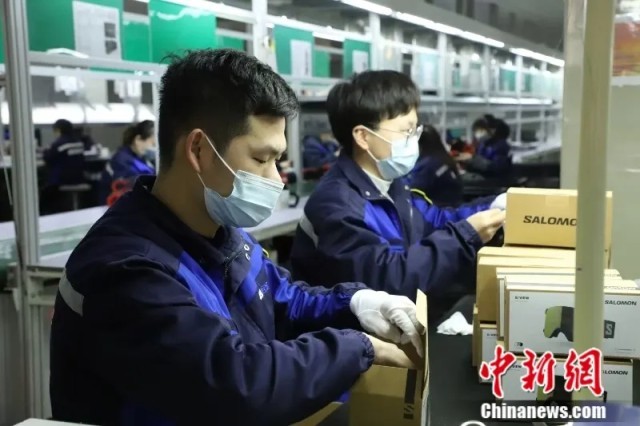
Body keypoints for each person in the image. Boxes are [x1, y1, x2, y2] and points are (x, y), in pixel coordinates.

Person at [50, 49, 424, 426]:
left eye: (277, 160)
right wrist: (357, 347)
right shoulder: (126, 270)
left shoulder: (222, 235)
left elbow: (281, 300)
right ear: (198, 150)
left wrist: (356, 303)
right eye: (261, 159)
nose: (276, 179)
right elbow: (236, 384)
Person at [290, 70, 506, 307]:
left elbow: (435, 220)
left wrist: (495, 206)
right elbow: (389, 282)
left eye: (415, 130)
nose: (413, 140)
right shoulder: (337, 205)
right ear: (363, 137)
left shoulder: (391, 185)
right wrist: (465, 236)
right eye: (406, 131)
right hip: (352, 330)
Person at [408, 124, 464, 207]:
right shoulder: (443, 158)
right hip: (452, 206)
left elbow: (412, 189)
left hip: (437, 209)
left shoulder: (427, 166)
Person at [101, 120, 156, 203]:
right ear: (138, 140)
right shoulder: (121, 160)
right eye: (153, 144)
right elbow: (135, 185)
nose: (154, 149)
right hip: (112, 206)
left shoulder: (141, 158)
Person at [465, 114, 512, 179]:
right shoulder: (483, 144)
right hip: (481, 177)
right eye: (476, 131)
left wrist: (484, 164)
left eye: (481, 131)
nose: (477, 134)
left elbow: (499, 167)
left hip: (494, 180)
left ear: (491, 130)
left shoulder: (501, 145)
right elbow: (477, 158)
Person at [43, 119, 86, 187]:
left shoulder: (59, 144)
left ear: (58, 130)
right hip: (79, 178)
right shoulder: (79, 142)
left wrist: (46, 150)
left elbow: (48, 158)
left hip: (62, 180)